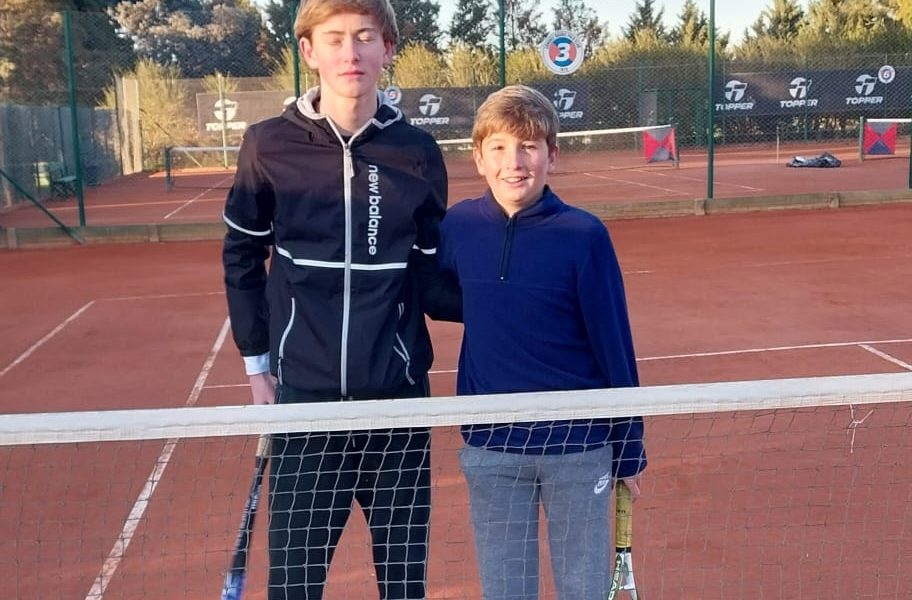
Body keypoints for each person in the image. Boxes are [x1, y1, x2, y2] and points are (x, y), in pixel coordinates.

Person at [221, 1, 459, 598]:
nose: (350, 52)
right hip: (306, 403)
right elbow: (242, 255)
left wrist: (516, 299)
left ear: (388, 48)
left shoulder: (418, 152)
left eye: (365, 37)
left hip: (399, 404)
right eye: (334, 39)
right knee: (294, 586)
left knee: (404, 586)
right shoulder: (267, 145)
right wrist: (257, 365)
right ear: (309, 51)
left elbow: (431, 273)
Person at [437, 85, 647, 600]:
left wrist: (629, 450)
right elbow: (444, 296)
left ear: (552, 155)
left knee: (582, 590)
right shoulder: (458, 226)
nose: (514, 162)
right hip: (492, 447)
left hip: (577, 447)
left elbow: (613, 343)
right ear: (479, 158)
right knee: (506, 591)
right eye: (499, 148)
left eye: (528, 147)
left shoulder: (583, 235)